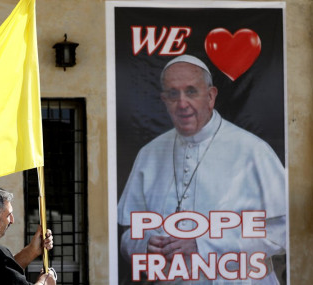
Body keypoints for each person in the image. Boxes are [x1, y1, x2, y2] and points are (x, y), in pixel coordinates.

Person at [117, 55, 286, 284]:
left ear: (211, 96)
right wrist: (144, 244)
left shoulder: (253, 151)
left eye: (191, 91)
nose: (182, 103)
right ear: (164, 99)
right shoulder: (149, 154)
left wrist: (203, 244)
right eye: (173, 94)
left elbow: (281, 232)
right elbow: (127, 233)